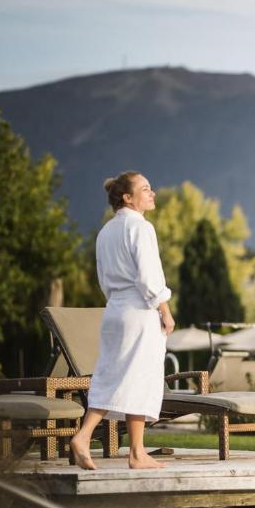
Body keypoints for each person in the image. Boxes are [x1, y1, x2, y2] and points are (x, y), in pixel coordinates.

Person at [69, 171, 175, 470]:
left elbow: (103, 278)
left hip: (115, 309)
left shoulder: (106, 231)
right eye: (145, 189)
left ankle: (137, 452)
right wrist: (164, 311)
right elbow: (149, 277)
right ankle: (87, 436)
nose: (152, 193)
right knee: (135, 376)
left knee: (118, 375)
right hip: (139, 311)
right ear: (127, 197)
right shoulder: (140, 228)